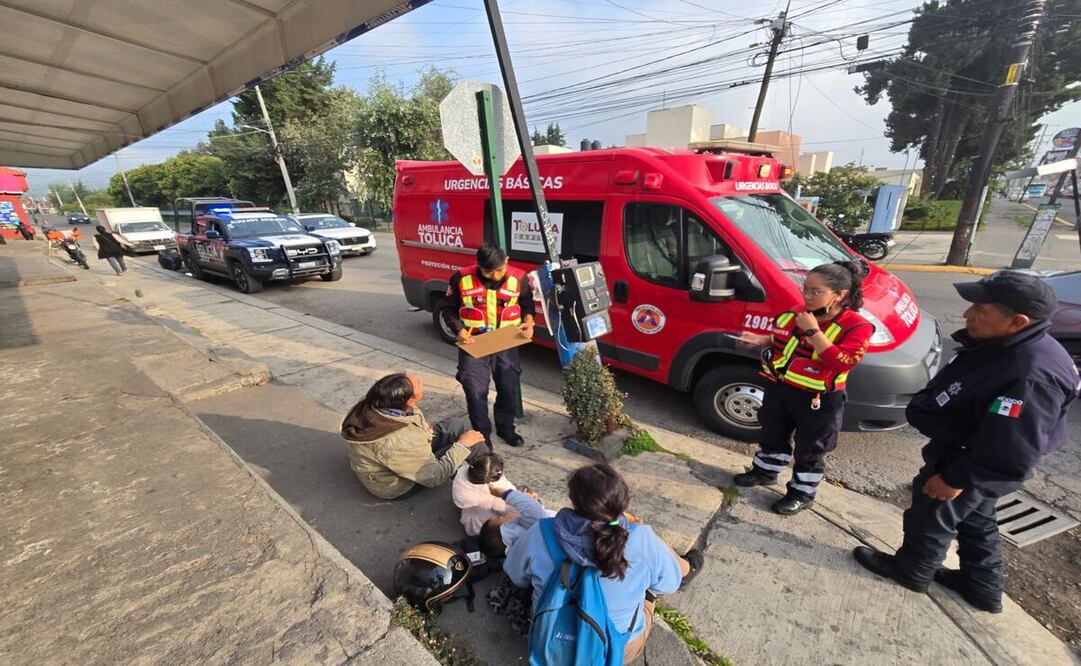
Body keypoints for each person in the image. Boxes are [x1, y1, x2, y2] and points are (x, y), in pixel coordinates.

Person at [853, 271, 1079, 613]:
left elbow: (1011, 449)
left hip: (970, 460)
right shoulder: (1008, 345)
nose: (967, 314)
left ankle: (911, 570)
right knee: (975, 517)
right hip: (969, 451)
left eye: (980, 310)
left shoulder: (1029, 375)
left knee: (932, 513)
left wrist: (955, 478)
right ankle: (981, 586)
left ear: (1017, 321)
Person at [504, 463, 703, 664]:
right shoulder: (641, 539)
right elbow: (669, 585)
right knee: (651, 584)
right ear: (622, 502)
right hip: (614, 651)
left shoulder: (541, 532)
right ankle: (688, 568)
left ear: (573, 498)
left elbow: (515, 575)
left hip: (549, 642)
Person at [732, 261, 874, 515]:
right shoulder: (798, 313)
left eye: (816, 292)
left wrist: (814, 331)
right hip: (781, 388)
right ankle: (765, 471)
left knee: (811, 449)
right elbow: (783, 337)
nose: (807, 296)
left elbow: (843, 361)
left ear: (839, 295)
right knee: (772, 435)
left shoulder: (856, 326)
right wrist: (761, 340)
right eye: (805, 289)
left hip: (819, 399)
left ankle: (801, 493)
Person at [340, 372, 490, 500]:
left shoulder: (377, 403)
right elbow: (434, 477)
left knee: (455, 425)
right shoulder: (399, 440)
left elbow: (409, 421)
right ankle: (489, 480)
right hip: (398, 484)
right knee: (467, 445)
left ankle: (488, 466)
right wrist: (462, 446)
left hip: (403, 453)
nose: (421, 383)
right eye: (419, 385)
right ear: (410, 400)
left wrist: (424, 430)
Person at [446, 244, 535, 447]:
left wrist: (529, 323)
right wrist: (459, 330)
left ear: (507, 261)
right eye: (488, 272)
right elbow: (447, 308)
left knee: (508, 388)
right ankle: (482, 436)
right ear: (478, 265)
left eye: (499, 270)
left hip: (506, 341)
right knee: (475, 391)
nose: (494, 276)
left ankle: (506, 428)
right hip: (474, 343)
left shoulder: (519, 278)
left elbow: (527, 304)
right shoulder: (461, 278)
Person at [452, 452, 516, 536]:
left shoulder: (461, 478)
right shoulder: (496, 490)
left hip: (471, 516)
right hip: (485, 528)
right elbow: (513, 511)